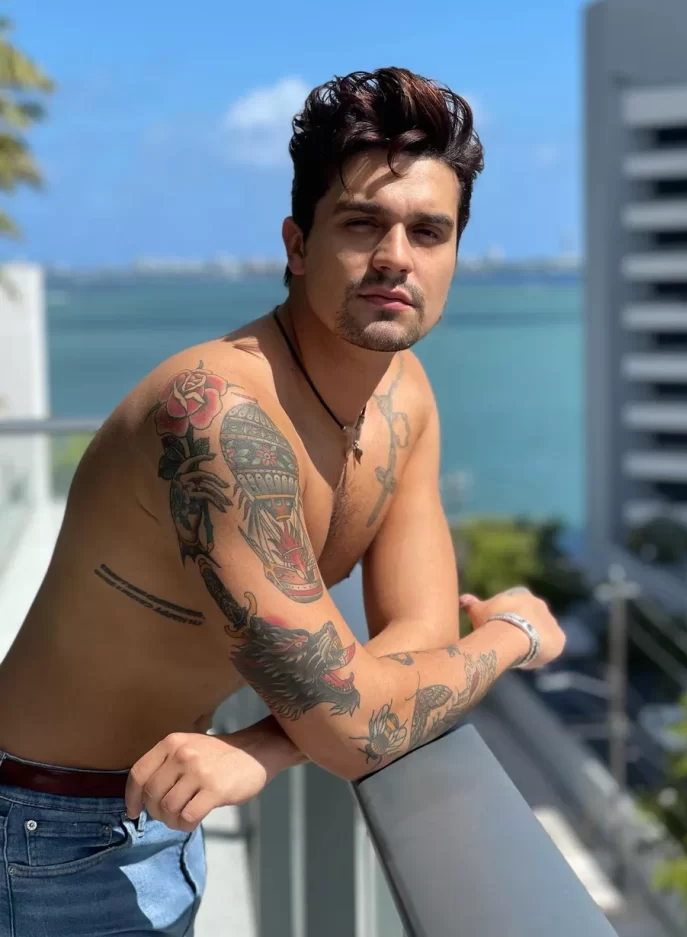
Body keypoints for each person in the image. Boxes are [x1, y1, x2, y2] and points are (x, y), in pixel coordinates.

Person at [0, 67, 566, 934]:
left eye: (429, 230)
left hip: (164, 803)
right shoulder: (219, 416)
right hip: (44, 832)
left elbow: (419, 633)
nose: (397, 257)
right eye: (362, 224)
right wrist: (515, 632)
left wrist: (256, 748)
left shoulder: (404, 395)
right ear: (297, 245)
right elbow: (354, 727)